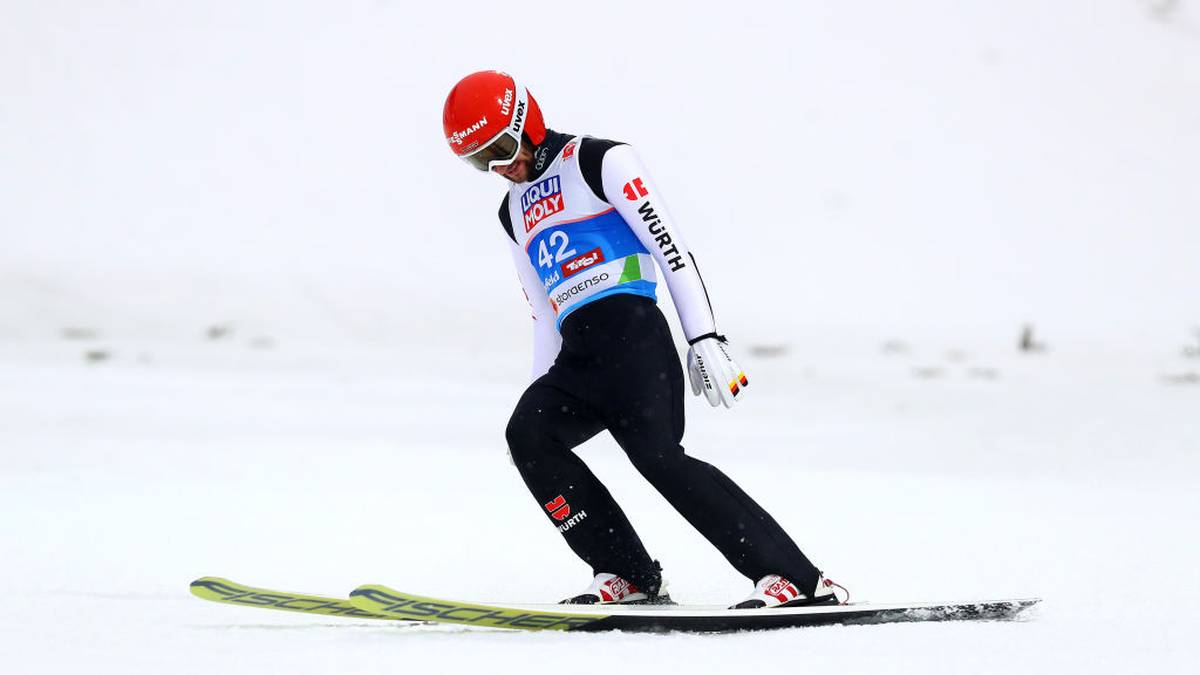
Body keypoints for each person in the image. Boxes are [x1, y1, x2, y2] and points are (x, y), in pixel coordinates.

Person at [441, 70, 840, 609]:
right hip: (579, 358)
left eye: (504, 148)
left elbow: (672, 250)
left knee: (658, 459)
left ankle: (799, 580)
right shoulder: (512, 211)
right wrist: (538, 401)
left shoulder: (600, 161)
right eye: (479, 161)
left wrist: (705, 339)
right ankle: (627, 574)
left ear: (527, 121)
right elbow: (543, 316)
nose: (499, 168)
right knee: (527, 435)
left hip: (634, 341)